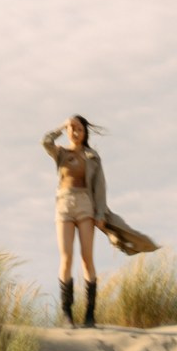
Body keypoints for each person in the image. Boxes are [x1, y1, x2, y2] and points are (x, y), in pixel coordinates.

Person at [42, 115, 107, 328]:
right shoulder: (60, 152)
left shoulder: (92, 156)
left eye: (78, 127)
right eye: (71, 128)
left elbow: (100, 187)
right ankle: (66, 314)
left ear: (85, 131)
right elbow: (45, 142)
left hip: (85, 205)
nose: (74, 131)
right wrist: (60, 126)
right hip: (63, 205)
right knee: (66, 258)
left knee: (87, 258)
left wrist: (100, 214)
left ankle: (90, 314)